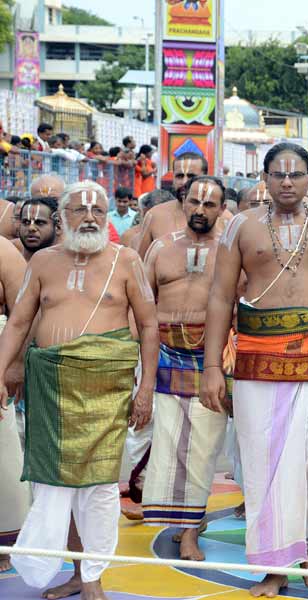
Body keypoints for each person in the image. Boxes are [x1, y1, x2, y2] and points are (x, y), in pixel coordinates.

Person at [200, 143, 308, 597]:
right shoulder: (241, 227)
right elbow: (219, 296)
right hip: (258, 360)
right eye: (278, 174)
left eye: (296, 174)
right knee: (266, 464)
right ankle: (276, 563)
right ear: (266, 178)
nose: (287, 182)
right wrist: (213, 365)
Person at [0, 180, 157, 600]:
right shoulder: (43, 262)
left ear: (107, 217)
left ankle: (93, 580)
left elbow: (148, 325)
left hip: (107, 386)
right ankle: (75, 571)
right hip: (50, 385)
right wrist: (0, 371)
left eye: (98, 211)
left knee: (100, 486)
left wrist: (146, 390)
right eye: (79, 210)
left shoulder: (127, 261)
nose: (90, 217)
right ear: (61, 218)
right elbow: (18, 322)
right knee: (56, 484)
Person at [141, 176, 229, 562]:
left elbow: (239, 306)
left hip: (208, 358)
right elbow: (141, 307)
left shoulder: (230, 252)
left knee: (202, 449)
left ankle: (191, 531)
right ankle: (179, 523)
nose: (200, 210)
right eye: (194, 201)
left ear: (222, 210)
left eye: (209, 205)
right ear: (183, 201)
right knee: (168, 445)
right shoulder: (160, 249)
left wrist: (227, 360)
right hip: (163, 353)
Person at [0, 234, 28, 573]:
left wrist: (15, 364)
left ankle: (3, 544)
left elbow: (23, 311)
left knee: (3, 452)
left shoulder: (4, 249)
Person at [136, 152, 209, 257]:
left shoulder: (223, 219)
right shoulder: (155, 216)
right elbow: (141, 264)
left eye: (191, 176)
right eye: (179, 176)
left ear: (205, 177)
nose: (184, 182)